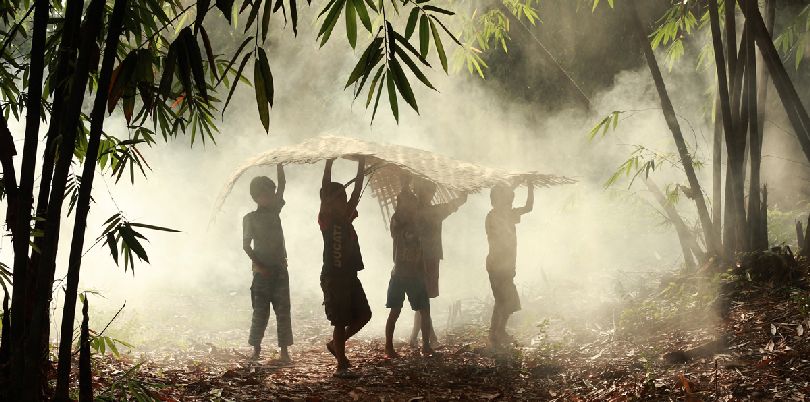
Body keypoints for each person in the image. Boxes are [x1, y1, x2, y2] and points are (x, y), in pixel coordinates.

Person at [318, 157, 372, 376]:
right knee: (340, 321)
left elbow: (357, 191)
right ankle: (341, 365)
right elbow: (325, 188)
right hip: (333, 276)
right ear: (329, 202)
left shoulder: (346, 217)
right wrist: (329, 162)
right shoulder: (327, 218)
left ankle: (335, 344)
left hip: (349, 275)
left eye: (344, 198)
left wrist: (362, 164)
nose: (345, 202)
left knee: (364, 315)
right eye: (339, 198)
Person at [242, 164, 293, 362]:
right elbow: (246, 246)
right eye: (266, 194)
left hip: (279, 270)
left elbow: (282, 185)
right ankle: (256, 349)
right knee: (260, 313)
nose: (271, 197)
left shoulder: (274, 211)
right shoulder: (250, 219)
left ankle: (284, 352)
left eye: (271, 194)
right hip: (261, 274)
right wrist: (260, 266)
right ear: (256, 197)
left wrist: (280, 164)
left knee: (283, 311)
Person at [409, 180, 467, 347]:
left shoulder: (420, 211)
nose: (427, 195)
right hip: (422, 259)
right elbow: (457, 202)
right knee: (423, 299)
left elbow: (456, 203)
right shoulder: (429, 212)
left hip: (425, 259)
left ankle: (415, 337)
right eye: (425, 192)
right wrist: (463, 193)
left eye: (429, 192)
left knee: (423, 299)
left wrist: (463, 195)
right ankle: (431, 338)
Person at [385, 186, 434, 358]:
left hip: (416, 274)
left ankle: (426, 344)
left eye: (413, 205)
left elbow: (421, 248)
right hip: (399, 274)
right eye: (409, 205)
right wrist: (404, 190)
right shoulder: (397, 223)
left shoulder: (417, 223)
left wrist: (424, 271)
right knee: (395, 311)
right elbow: (398, 219)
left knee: (425, 310)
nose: (412, 208)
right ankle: (389, 346)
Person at [485, 180, 534, 349]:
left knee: (506, 300)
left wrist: (528, 187)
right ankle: (496, 334)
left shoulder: (505, 214)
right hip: (497, 266)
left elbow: (528, 207)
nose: (509, 202)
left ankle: (497, 332)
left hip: (505, 266)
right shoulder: (494, 216)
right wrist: (522, 186)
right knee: (503, 300)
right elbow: (526, 207)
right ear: (497, 200)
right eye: (506, 199)